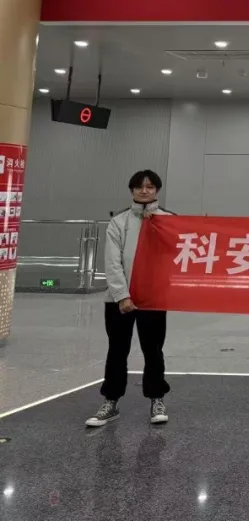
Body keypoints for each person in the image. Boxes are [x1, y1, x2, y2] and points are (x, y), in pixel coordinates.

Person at [86, 170, 175, 428]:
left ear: (157, 190)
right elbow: (112, 262)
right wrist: (122, 296)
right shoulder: (118, 222)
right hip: (118, 300)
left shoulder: (169, 221)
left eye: (150, 187)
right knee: (117, 350)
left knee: (153, 350)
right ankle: (110, 401)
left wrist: (156, 227)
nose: (144, 191)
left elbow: (174, 257)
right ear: (132, 190)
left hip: (153, 299)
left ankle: (157, 398)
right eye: (139, 187)